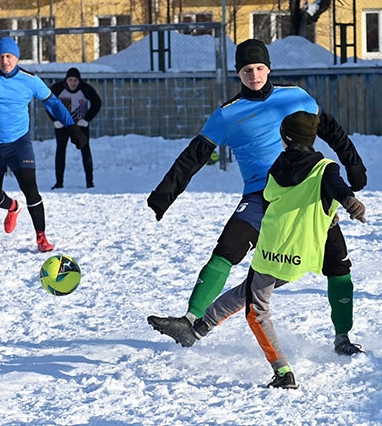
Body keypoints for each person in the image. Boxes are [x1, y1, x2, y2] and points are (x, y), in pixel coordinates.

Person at [147, 39, 368, 355]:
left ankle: (342, 337)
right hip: (260, 195)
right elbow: (192, 157)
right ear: (238, 73)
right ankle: (190, 320)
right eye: (247, 69)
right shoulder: (227, 115)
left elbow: (334, 132)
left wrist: (354, 166)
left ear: (268, 68)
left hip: (307, 195)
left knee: (336, 263)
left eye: (260, 67)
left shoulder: (295, 97)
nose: (254, 74)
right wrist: (163, 196)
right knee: (227, 247)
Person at [163, 111, 367, 389]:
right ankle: (199, 329)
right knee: (261, 289)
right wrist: (350, 203)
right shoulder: (325, 168)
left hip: (275, 250)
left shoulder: (277, 167)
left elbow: (274, 200)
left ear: (284, 139)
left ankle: (282, 371)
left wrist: (345, 199)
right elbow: (338, 187)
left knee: (256, 308)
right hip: (309, 245)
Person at [0, 37, 87, 252]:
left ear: (17, 57)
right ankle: (13, 207)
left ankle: (41, 238)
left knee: (31, 189)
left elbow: (52, 102)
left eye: (9, 56)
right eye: (0, 56)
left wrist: (72, 127)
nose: (5, 61)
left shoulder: (30, 80)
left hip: (19, 144)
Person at [47, 67, 102, 189]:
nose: (72, 83)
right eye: (70, 80)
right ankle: (59, 182)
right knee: (60, 151)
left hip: (80, 126)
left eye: (75, 80)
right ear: (66, 80)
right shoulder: (57, 88)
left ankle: (89, 181)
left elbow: (97, 103)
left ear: (79, 81)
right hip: (63, 125)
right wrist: (55, 120)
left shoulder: (86, 89)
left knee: (85, 150)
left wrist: (87, 119)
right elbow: (48, 103)